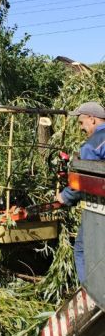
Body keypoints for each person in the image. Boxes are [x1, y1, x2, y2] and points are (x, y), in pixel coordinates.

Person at [58, 101, 105, 284]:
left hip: (100, 207)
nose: (81, 128)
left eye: (81, 122)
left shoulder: (93, 144)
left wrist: (65, 196)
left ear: (92, 120)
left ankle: (91, 295)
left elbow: (86, 180)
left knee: (83, 249)